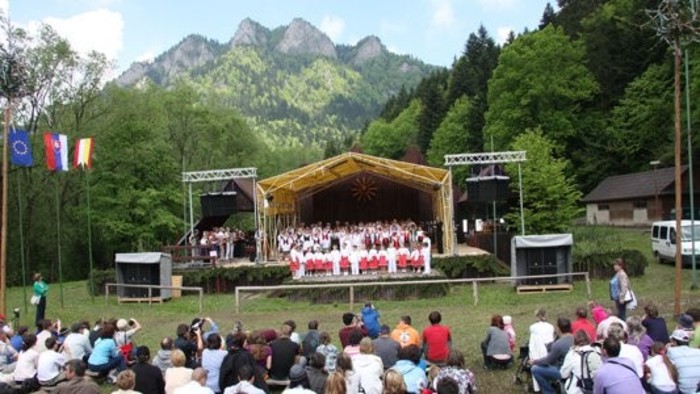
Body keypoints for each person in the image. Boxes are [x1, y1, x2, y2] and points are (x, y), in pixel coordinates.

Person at [529, 317, 574, 394]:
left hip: (563, 371)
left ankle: (549, 391)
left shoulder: (559, 344)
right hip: (574, 369)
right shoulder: (574, 338)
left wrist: (534, 361)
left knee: (535, 369)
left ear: (558, 328)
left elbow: (547, 361)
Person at [559, 330, 602, 394]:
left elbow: (563, 374)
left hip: (576, 390)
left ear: (575, 340)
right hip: (595, 389)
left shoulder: (572, 354)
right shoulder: (596, 351)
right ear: (588, 339)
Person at [666, 329, 700, 394]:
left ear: (674, 342)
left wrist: (667, 350)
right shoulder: (698, 351)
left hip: (683, 390)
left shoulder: (671, 351)